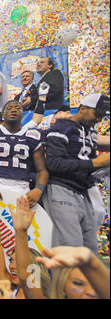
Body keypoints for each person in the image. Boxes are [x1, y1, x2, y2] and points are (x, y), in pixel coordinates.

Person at [42, 93, 110, 254]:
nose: (99, 119)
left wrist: (100, 170)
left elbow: (86, 163)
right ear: (83, 108)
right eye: (97, 114)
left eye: (102, 116)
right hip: (62, 188)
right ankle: (61, 280)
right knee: (69, 247)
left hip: (82, 191)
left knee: (90, 249)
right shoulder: (60, 128)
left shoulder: (90, 132)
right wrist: (95, 163)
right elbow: (53, 164)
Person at [0, 99, 49, 207]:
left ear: (23, 114)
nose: (13, 110)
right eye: (9, 108)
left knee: (21, 223)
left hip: (23, 188)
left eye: (17, 108)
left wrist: (38, 189)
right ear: (3, 115)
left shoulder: (32, 135)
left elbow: (42, 170)